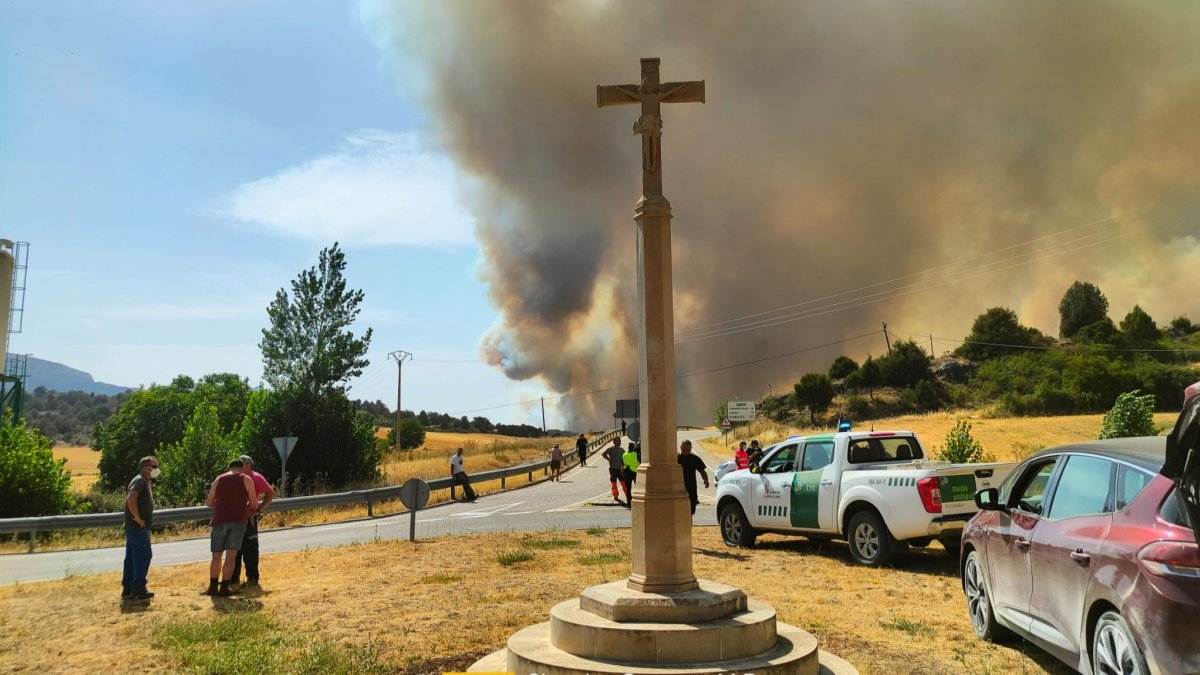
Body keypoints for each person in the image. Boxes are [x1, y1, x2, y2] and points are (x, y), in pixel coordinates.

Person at [205, 459, 256, 597]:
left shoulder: (219, 479)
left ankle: (213, 587)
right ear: (242, 467)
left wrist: (223, 504)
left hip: (219, 520)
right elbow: (253, 503)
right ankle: (225, 588)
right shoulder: (246, 479)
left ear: (229, 467)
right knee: (231, 556)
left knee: (216, 555)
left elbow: (209, 502)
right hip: (238, 521)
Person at [232, 455, 275, 588]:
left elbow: (270, 493)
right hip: (235, 518)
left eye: (242, 463)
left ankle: (252, 579)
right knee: (234, 549)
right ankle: (233, 579)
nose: (239, 465)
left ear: (249, 465)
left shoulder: (256, 477)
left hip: (249, 518)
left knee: (250, 548)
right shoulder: (234, 478)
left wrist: (259, 510)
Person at [122, 456, 159, 601]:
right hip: (138, 527)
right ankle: (138, 588)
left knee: (132, 558)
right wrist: (137, 518)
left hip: (137, 527)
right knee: (144, 555)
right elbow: (131, 499)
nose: (157, 470)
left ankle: (128, 589)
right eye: (154, 467)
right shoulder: (139, 480)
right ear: (145, 468)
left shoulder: (145, 481)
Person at [678, 440, 710, 517]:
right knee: (680, 511)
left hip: (691, 489)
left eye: (688, 450)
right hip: (679, 489)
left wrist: (706, 480)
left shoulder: (695, 459)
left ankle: (688, 528)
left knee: (690, 512)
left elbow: (702, 471)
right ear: (681, 448)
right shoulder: (676, 458)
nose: (686, 452)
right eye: (684, 450)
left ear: (691, 448)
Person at [602, 437, 631, 505]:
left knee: (624, 483)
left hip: (620, 470)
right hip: (613, 469)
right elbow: (603, 454)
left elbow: (624, 458)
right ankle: (615, 496)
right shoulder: (610, 449)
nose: (619, 442)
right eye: (618, 441)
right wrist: (609, 459)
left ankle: (628, 496)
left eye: (620, 441)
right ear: (614, 441)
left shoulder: (622, 450)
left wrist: (624, 467)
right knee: (614, 483)